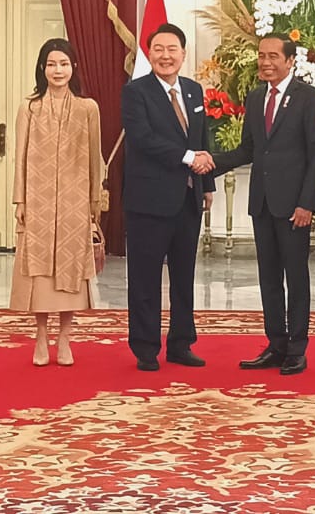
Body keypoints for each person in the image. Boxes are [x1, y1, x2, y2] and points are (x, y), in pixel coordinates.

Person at [211, 34, 315, 375]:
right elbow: (249, 149)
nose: (266, 62)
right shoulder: (256, 97)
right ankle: (276, 345)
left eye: (273, 56)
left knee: (296, 278)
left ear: (290, 61)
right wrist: (210, 162)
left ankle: (297, 349)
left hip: (294, 207)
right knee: (269, 278)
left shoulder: (308, 97)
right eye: (262, 56)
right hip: (262, 203)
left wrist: (307, 203)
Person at [121, 23, 215, 371]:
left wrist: (208, 185)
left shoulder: (193, 90)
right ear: (149, 54)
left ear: (183, 53)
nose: (165, 56)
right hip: (148, 201)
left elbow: (202, 138)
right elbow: (142, 138)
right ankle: (146, 348)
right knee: (145, 278)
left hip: (188, 198)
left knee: (183, 276)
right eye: (158, 49)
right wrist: (189, 158)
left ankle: (181, 343)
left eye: (172, 49)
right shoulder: (136, 92)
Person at [11, 38, 104, 367]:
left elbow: (95, 159)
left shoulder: (88, 108)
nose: (58, 70)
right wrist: (20, 200)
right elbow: (20, 156)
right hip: (37, 200)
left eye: (63, 64)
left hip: (75, 202)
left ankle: (64, 338)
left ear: (73, 67)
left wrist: (94, 201)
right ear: (42, 68)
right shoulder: (30, 107)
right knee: (38, 274)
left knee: (70, 271)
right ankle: (40, 337)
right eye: (51, 64)